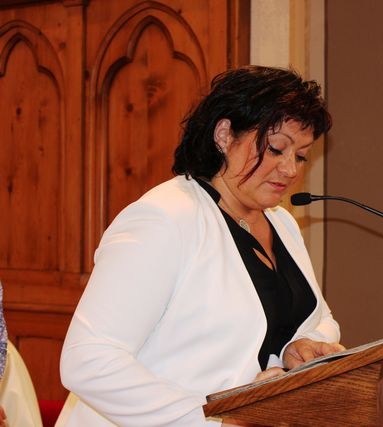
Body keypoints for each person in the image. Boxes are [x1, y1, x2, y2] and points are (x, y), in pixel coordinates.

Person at [59, 66, 344, 426]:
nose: (290, 170)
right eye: (276, 149)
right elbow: (89, 359)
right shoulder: (164, 219)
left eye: (301, 156)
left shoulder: (282, 223)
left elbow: (319, 319)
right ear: (224, 135)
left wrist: (297, 347)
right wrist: (213, 420)